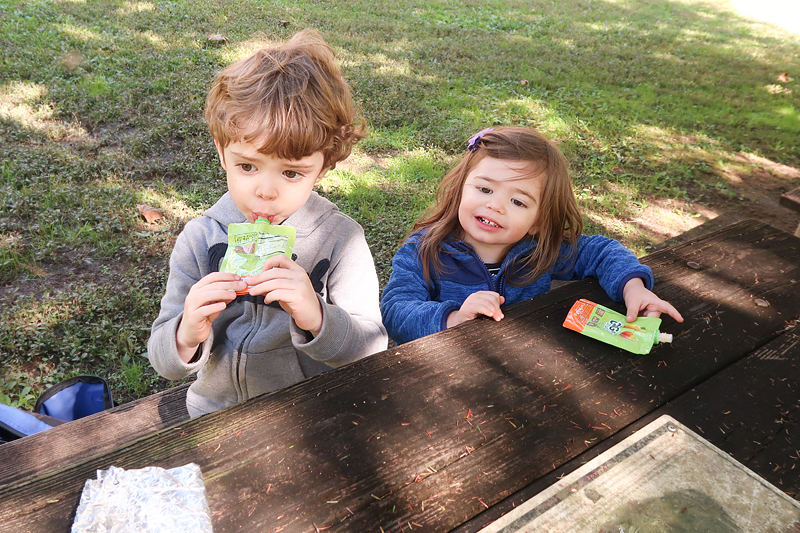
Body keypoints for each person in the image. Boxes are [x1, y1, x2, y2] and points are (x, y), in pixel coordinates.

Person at [148, 29, 388, 417]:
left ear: (323, 166)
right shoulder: (198, 239)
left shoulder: (340, 240)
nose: (266, 192)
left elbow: (372, 347)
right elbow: (163, 361)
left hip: (312, 415)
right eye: (247, 166)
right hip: (214, 413)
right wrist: (186, 330)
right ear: (222, 153)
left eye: (292, 173)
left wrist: (316, 316)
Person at [381, 126, 683, 345]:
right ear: (462, 186)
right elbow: (396, 311)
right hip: (435, 376)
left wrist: (633, 287)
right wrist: (454, 318)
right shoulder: (423, 251)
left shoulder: (539, 251)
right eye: (485, 189)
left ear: (539, 221)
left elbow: (599, 251)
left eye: (518, 202)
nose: (495, 205)